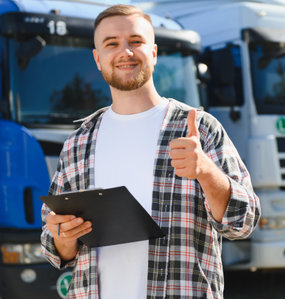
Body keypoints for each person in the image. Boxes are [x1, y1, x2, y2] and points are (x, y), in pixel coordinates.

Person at [40, 4, 260, 299]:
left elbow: (244, 222)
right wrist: (62, 235)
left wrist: (206, 171)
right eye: (111, 44)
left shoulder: (200, 128)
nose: (125, 52)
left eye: (135, 41)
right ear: (97, 59)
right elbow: (55, 250)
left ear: (154, 53)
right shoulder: (78, 142)